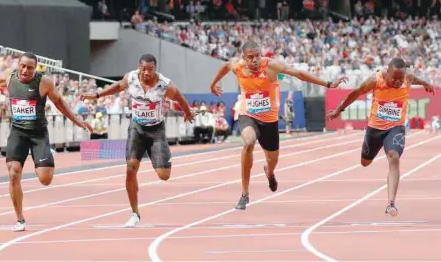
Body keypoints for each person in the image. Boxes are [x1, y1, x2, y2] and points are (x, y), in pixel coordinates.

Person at [208, 41, 347, 210]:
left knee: (272, 160)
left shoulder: (270, 66)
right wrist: (213, 84)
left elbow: (298, 73)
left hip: (269, 121)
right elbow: (225, 66)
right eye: (250, 57)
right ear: (244, 58)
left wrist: (327, 84)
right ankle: (245, 193)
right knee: (249, 142)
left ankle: (269, 172)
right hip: (248, 114)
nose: (254, 60)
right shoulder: (237, 66)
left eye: (257, 56)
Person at [0, 51, 93, 232]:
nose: (25, 70)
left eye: (30, 67)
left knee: (45, 179)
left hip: (38, 134)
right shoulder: (10, 78)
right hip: (18, 133)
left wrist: (77, 121)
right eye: (22, 66)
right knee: (13, 174)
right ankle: (20, 219)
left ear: (35, 69)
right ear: (18, 65)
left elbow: (59, 103)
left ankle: (47, 154)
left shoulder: (43, 82)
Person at [81, 54, 194, 227]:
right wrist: (96, 95)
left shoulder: (164, 84)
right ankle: (134, 213)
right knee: (131, 168)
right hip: (137, 128)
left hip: (156, 130)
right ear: (139, 67)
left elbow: (179, 98)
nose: (146, 73)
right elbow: (118, 86)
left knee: (164, 175)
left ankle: (157, 154)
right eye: (143, 69)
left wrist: (187, 112)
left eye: (150, 69)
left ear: (155, 69)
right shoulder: (131, 78)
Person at [327, 58, 436, 217]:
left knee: (394, 157)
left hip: (396, 127)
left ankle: (391, 203)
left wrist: (425, 83)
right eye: (394, 78)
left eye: (401, 78)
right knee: (365, 162)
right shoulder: (375, 80)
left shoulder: (408, 78)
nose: (398, 82)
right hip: (375, 128)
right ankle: (371, 152)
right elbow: (356, 92)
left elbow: (414, 78)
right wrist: (339, 109)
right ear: (387, 72)